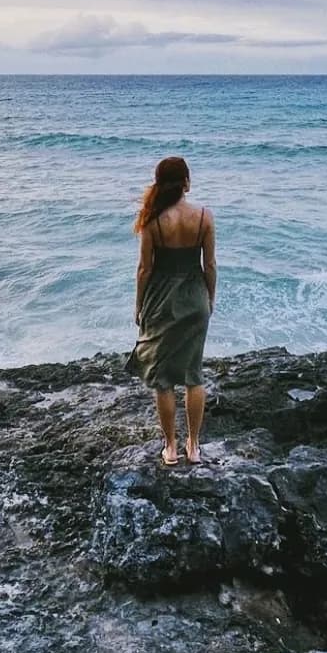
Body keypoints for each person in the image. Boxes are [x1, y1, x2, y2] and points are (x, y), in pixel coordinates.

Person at [126, 155, 216, 464]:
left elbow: (144, 270)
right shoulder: (204, 217)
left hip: (162, 300)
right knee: (194, 375)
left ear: (159, 184)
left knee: (162, 379)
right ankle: (194, 445)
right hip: (195, 300)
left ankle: (170, 447)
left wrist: (139, 305)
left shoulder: (152, 220)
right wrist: (210, 298)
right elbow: (210, 265)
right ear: (187, 183)